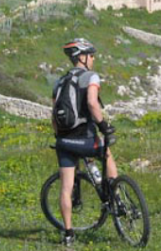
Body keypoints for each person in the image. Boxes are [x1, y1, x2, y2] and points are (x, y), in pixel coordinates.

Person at [52, 38, 117, 246]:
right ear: (82, 57)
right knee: (106, 154)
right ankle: (116, 195)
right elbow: (91, 102)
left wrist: (59, 137)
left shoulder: (59, 82)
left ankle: (69, 233)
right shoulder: (91, 77)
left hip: (63, 141)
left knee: (66, 187)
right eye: (91, 54)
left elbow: (54, 115)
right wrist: (104, 126)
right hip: (85, 139)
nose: (94, 58)